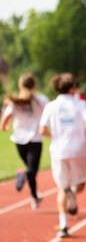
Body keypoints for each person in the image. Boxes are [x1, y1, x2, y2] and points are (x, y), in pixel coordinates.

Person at [39, 73, 86, 238]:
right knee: (80, 184)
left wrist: (53, 137)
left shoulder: (50, 106)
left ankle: (63, 225)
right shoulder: (81, 103)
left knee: (62, 187)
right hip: (78, 149)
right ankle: (73, 193)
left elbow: (42, 130)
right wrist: (85, 138)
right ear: (72, 88)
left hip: (59, 150)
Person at [0, 73, 49, 209]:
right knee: (32, 171)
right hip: (35, 139)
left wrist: (4, 126)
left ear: (20, 86)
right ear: (34, 86)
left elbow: (5, 118)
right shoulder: (41, 100)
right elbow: (50, 112)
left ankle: (34, 197)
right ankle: (26, 180)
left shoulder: (15, 101)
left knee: (30, 170)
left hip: (19, 140)